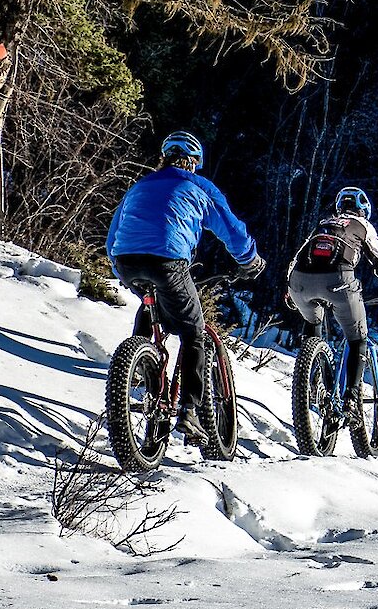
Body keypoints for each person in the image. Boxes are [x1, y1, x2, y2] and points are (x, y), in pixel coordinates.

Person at [105, 131, 265, 443]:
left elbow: (112, 238)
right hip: (168, 261)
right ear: (193, 163)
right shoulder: (198, 186)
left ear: (163, 159)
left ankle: (138, 368)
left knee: (150, 303)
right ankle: (190, 413)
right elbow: (231, 229)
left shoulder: (139, 186)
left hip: (126, 260)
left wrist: (122, 269)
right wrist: (249, 259)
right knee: (195, 331)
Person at [285, 186, 378, 418]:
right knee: (357, 338)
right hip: (339, 281)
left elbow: (298, 256)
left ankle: (311, 378)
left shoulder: (324, 222)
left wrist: (289, 291)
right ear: (364, 210)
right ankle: (351, 399)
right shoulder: (363, 226)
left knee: (313, 320)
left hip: (298, 281)